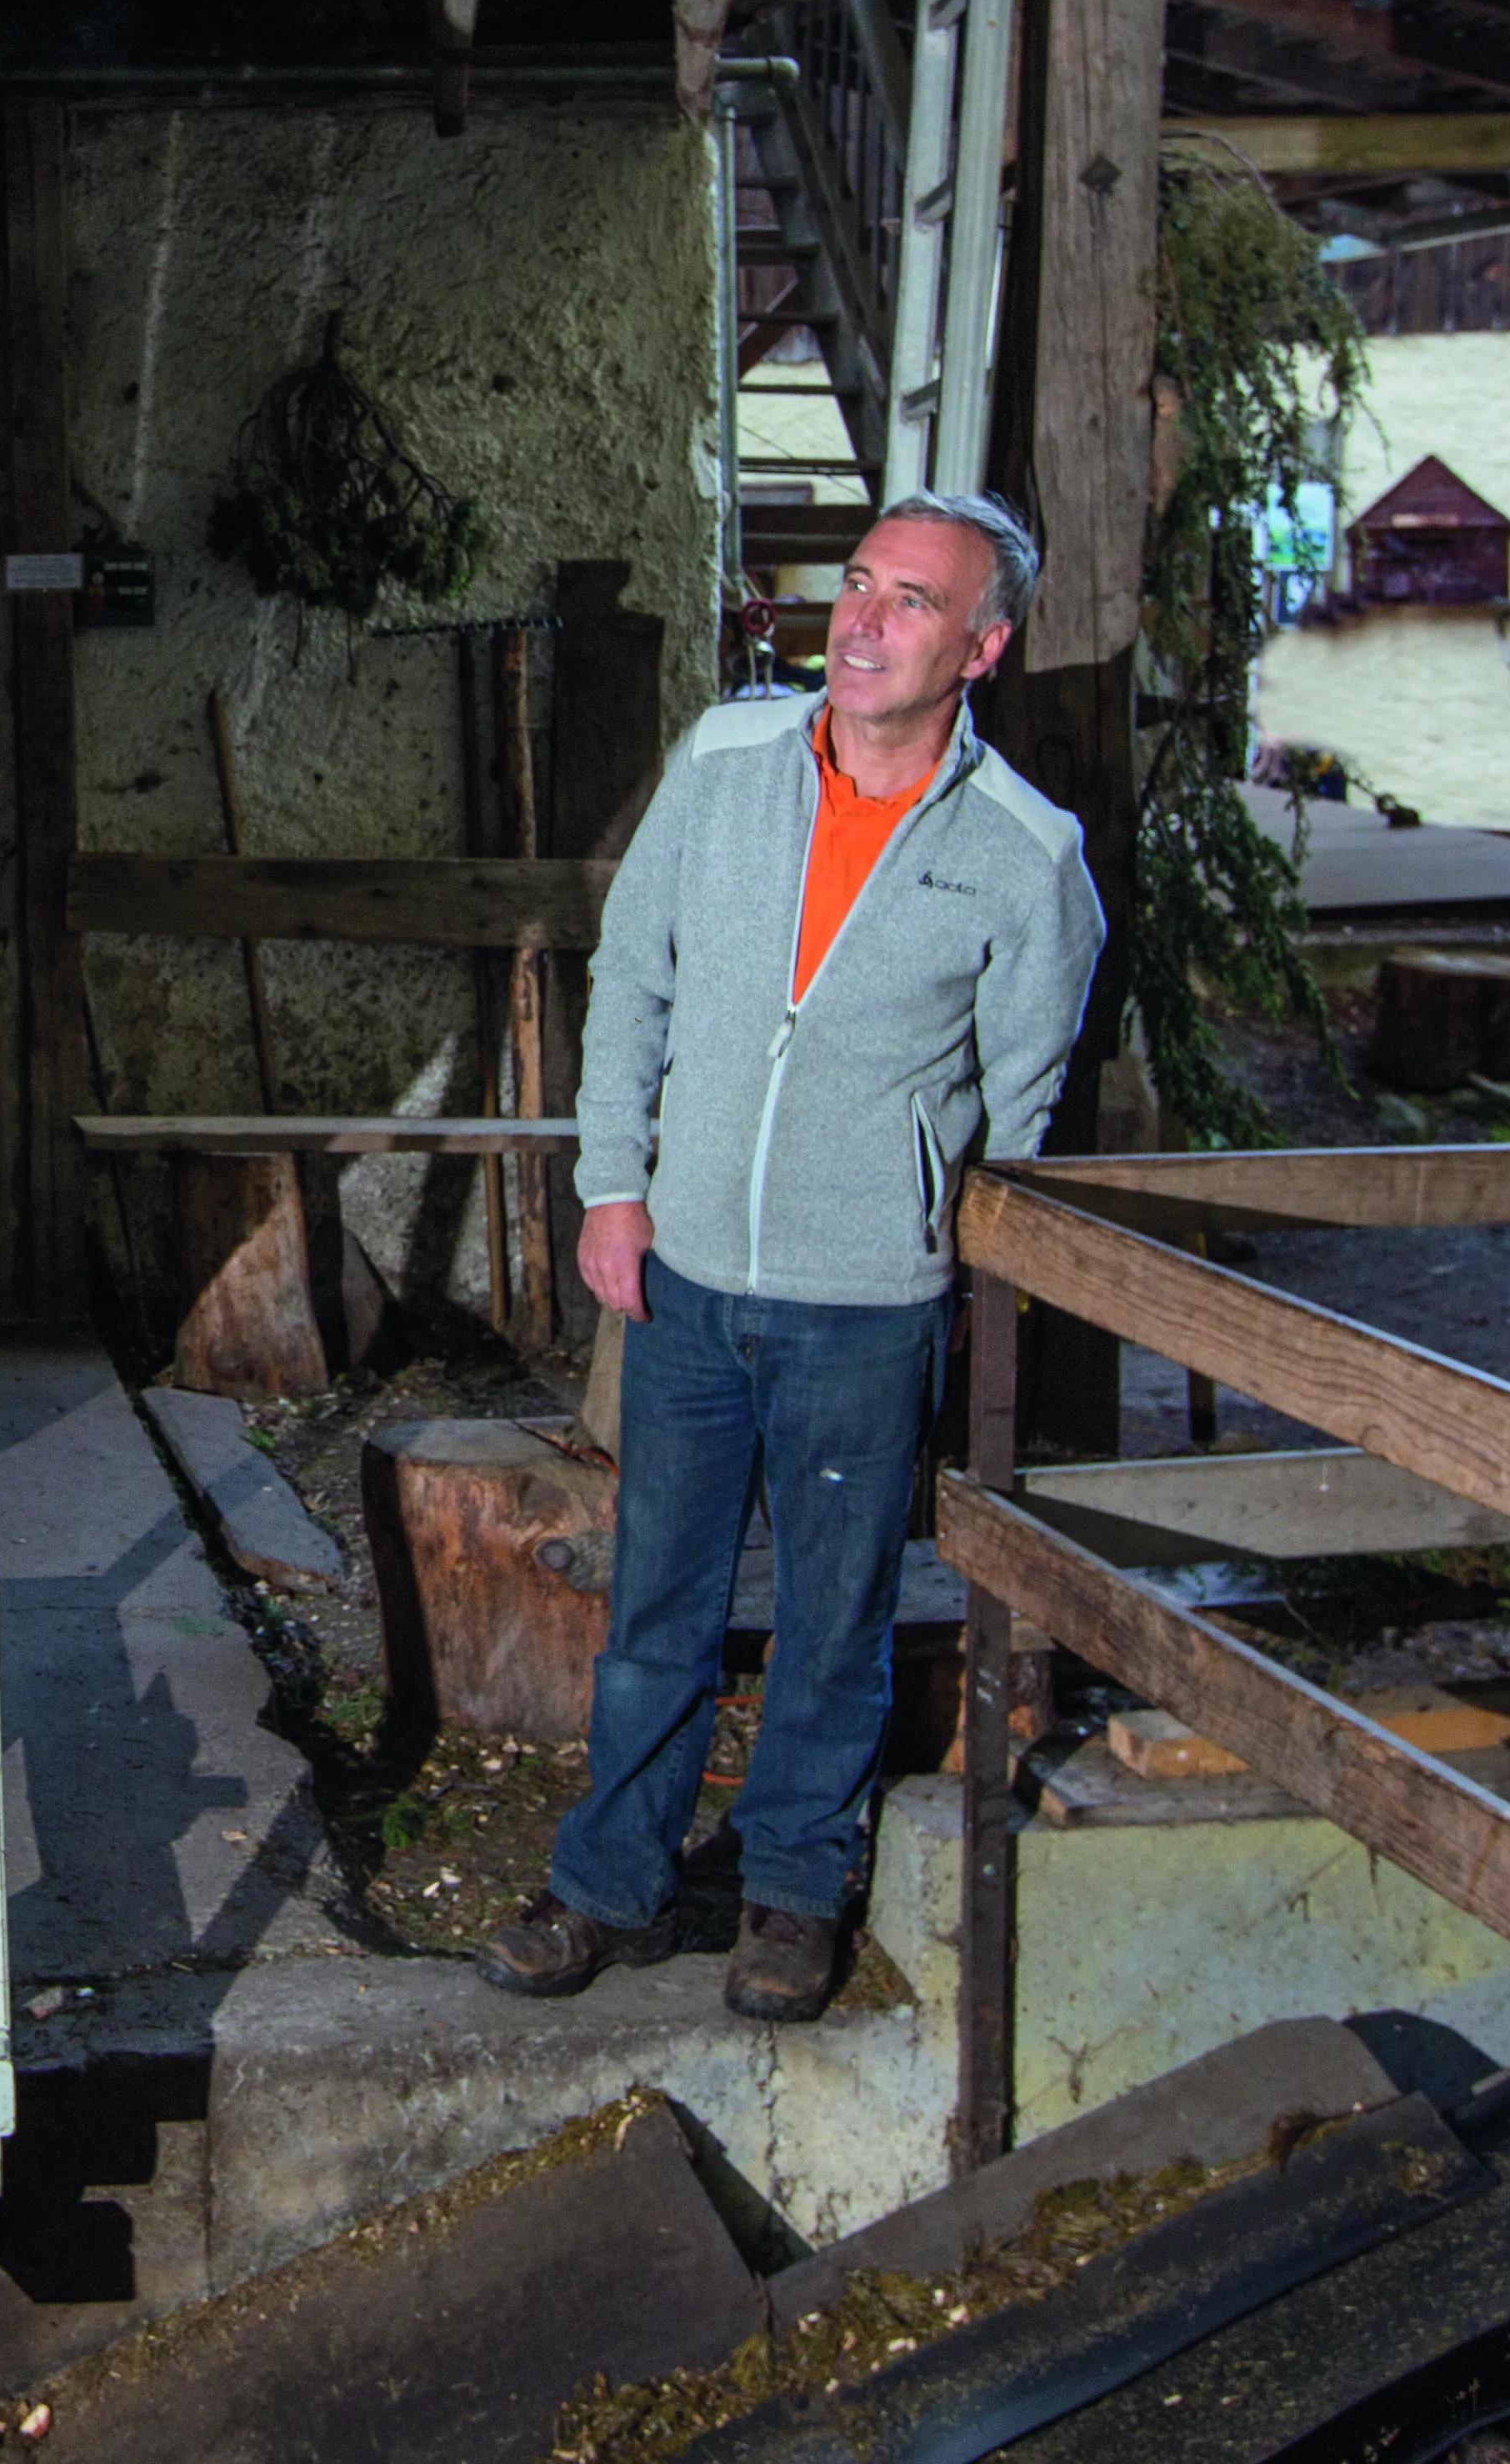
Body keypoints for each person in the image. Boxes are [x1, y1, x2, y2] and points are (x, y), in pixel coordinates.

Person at [478, 492, 1104, 2022]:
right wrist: (614, 1184)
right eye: (861, 586)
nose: (866, 623)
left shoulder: (1027, 857)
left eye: (912, 603)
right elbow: (631, 975)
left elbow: (1019, 1107)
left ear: (984, 646)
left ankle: (790, 1895)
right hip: (686, 1272)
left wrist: (919, 1233)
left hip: (865, 1309)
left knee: (837, 1620)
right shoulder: (728, 760)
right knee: (658, 1606)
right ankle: (609, 1884)